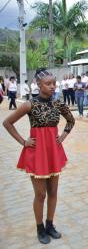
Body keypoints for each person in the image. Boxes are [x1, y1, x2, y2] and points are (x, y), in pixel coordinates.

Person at [2, 68, 75, 244]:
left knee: (53, 192)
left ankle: (50, 224)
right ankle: (40, 227)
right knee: (40, 194)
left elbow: (71, 120)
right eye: (48, 84)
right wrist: (23, 142)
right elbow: (7, 123)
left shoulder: (58, 103)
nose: (52, 87)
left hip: (53, 151)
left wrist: (63, 137)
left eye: (54, 84)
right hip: (37, 152)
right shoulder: (30, 104)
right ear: (38, 84)